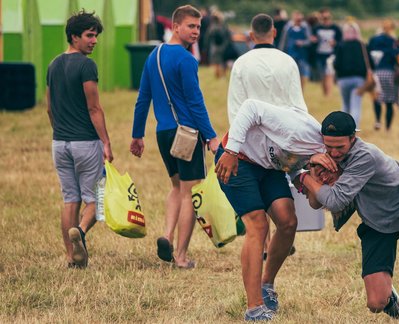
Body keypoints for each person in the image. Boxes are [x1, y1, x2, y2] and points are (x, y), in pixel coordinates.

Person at [297, 111, 399, 321]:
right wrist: (313, 170)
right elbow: (316, 203)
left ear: (353, 138)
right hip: (375, 220)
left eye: (339, 147)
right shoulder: (323, 155)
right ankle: (390, 299)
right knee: (376, 303)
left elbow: (334, 201)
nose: (333, 152)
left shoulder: (365, 155)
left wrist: (304, 178)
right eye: (328, 146)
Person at [223, 13, 309, 321]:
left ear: (250, 34)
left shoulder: (256, 63)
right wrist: (233, 149)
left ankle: (267, 283)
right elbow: (242, 113)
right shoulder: (279, 62)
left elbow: (295, 111)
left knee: (287, 222)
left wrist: (297, 162)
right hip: (242, 158)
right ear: (274, 31)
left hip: (273, 159)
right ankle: (254, 307)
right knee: (257, 226)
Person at [130, 5, 220, 269]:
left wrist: (137, 135)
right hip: (188, 134)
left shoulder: (153, 55)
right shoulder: (186, 59)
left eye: (199, 27)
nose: (196, 32)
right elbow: (196, 104)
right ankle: (180, 256)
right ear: (176, 26)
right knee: (190, 193)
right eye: (191, 26)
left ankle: (167, 235)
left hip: (164, 133)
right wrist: (212, 137)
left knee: (176, 188)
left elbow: (142, 99)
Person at [46, 9, 113, 269]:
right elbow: (94, 108)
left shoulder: (53, 64)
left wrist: (60, 131)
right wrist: (106, 142)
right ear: (74, 37)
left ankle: (71, 257)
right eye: (89, 35)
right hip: (85, 142)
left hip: (59, 143)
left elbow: (49, 108)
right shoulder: (86, 65)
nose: (94, 41)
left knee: (70, 200)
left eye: (95, 36)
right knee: (98, 198)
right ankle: (81, 232)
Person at [367, 18, 399, 131]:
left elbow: (368, 54)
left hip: (376, 73)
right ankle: (388, 127)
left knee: (376, 99)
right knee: (389, 102)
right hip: (390, 73)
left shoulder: (373, 40)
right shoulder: (393, 41)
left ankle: (378, 121)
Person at [332, 21, 368, 127]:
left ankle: (344, 130)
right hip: (359, 79)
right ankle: (354, 130)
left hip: (343, 79)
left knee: (345, 105)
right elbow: (369, 63)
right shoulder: (362, 45)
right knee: (356, 106)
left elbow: (336, 64)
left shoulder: (341, 45)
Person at [311, 8, 342, 96]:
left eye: (327, 17)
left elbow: (341, 41)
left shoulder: (335, 28)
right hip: (319, 54)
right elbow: (312, 39)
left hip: (331, 54)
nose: (325, 20)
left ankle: (329, 94)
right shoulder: (316, 28)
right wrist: (313, 40)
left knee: (329, 74)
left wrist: (335, 43)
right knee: (322, 75)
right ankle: (325, 93)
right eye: (323, 18)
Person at [278, 11, 312, 89]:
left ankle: (301, 90)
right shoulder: (288, 27)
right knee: (290, 73)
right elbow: (283, 41)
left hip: (302, 54)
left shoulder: (305, 27)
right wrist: (281, 52)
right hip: (291, 53)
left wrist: (302, 43)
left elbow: (309, 41)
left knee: (302, 73)